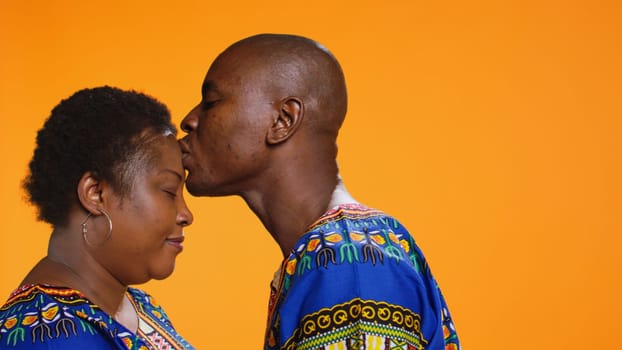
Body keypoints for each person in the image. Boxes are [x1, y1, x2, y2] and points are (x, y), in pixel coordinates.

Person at [179, 34, 460, 349]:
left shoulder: (349, 265)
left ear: (283, 120)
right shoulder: (341, 251)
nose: (188, 120)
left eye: (212, 102)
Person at [0, 86, 195, 349]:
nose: (186, 215)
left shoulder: (139, 307)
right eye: (170, 191)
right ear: (96, 193)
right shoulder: (47, 337)